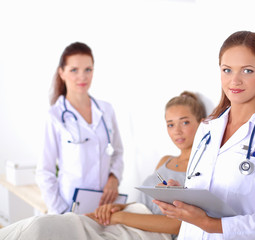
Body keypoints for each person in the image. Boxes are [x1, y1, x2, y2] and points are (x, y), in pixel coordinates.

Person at [154, 31, 255, 240]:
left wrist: (210, 224)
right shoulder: (207, 128)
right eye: (227, 70)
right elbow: (205, 193)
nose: (235, 80)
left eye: (247, 71)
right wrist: (181, 197)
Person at [0, 91, 207, 240]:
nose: (177, 131)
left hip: (148, 232)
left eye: (185, 122)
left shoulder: (201, 169)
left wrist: (121, 216)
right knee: (45, 225)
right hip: (129, 216)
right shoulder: (165, 161)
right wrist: (118, 207)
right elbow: (144, 203)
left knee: (46, 232)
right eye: (170, 124)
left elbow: (179, 225)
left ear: (202, 123)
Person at [36, 42, 124, 214]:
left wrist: (114, 177)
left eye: (88, 70)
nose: (82, 77)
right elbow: (44, 172)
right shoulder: (55, 116)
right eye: (74, 70)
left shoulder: (106, 110)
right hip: (69, 206)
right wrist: (61, 212)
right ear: (61, 72)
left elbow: (118, 152)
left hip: (104, 206)